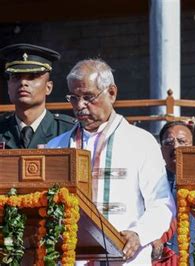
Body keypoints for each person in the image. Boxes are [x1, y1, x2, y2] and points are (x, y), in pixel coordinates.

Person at [47, 59, 175, 264]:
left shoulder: (141, 141)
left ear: (112, 93)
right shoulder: (57, 147)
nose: (80, 106)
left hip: (126, 256)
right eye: (73, 98)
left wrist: (138, 234)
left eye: (88, 97)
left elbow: (162, 205)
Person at [0, 43, 75, 148]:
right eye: (16, 77)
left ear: (48, 87)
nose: (23, 82)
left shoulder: (68, 131)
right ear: (8, 87)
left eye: (32, 77)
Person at [152, 121, 195, 265]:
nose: (176, 146)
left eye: (182, 141)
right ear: (161, 149)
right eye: (169, 142)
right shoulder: (150, 182)